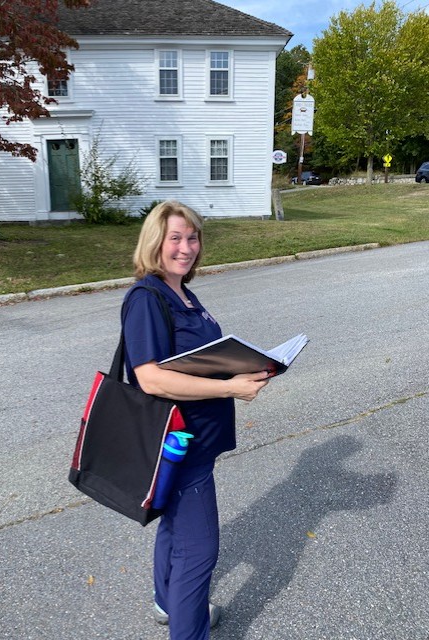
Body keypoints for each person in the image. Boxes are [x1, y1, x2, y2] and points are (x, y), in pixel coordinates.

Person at [122, 200, 272, 640]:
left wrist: (243, 368)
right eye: (175, 237)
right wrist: (230, 387)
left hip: (197, 439)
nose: (186, 247)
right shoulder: (146, 298)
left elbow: (194, 360)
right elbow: (149, 378)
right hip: (179, 443)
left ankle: (166, 602)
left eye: (192, 237)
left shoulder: (182, 291)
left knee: (175, 525)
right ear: (155, 242)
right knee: (199, 552)